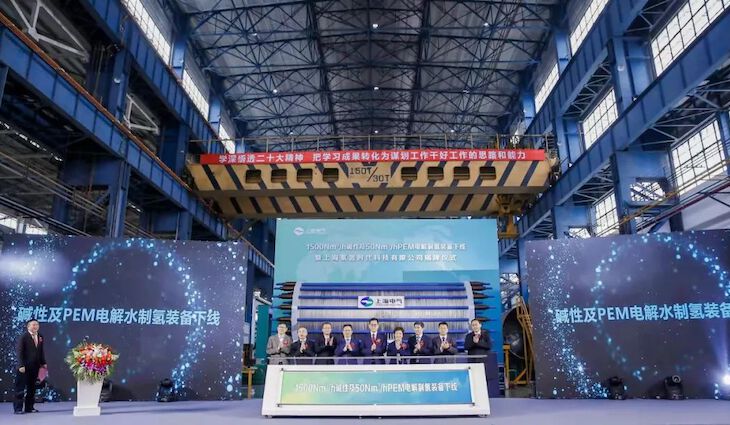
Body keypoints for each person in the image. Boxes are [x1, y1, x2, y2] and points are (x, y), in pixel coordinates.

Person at [14, 319, 46, 414]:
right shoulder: (23, 337)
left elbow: (40, 351)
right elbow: (19, 352)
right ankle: (18, 409)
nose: (35, 326)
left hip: (35, 366)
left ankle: (29, 407)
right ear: (28, 326)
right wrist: (21, 365)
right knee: (20, 388)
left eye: (37, 325)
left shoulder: (40, 336)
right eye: (33, 325)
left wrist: (43, 363)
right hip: (24, 367)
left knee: (32, 388)